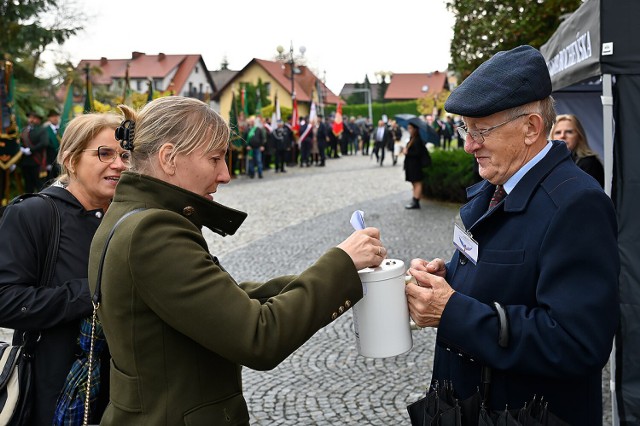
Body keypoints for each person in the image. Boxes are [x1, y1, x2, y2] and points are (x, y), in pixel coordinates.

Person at [88, 96, 386, 425]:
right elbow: (258, 336)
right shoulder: (152, 231)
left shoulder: (131, 214)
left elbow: (222, 299)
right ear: (169, 158)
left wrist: (345, 271)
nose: (226, 174)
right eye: (215, 158)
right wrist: (341, 263)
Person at [404, 46, 619, 425]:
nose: (469, 145)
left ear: (532, 128)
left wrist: (451, 309)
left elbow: (577, 342)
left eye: (481, 130)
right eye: (465, 130)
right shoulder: (495, 186)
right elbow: (505, 280)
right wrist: (447, 280)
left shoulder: (577, 203)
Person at [0, 112, 128, 424]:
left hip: (120, 392)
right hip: (52, 390)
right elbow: (6, 300)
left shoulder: (126, 221)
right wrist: (93, 292)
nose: (119, 164)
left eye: (125, 155)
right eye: (105, 153)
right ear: (70, 160)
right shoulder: (33, 214)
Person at [550, 113, 604, 188]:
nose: (562, 136)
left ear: (579, 136)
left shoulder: (589, 163)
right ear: (552, 137)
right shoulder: (548, 163)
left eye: (569, 132)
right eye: (558, 132)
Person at [402, 118, 431, 209]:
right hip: (411, 165)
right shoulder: (412, 138)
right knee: (414, 182)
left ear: (415, 129)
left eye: (410, 128)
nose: (409, 130)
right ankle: (414, 198)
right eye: (408, 128)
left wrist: (407, 152)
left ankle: (416, 201)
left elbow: (418, 153)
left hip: (416, 165)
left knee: (417, 182)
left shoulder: (418, 139)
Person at [19, 110, 49, 192]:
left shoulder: (42, 130)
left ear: (39, 120)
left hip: (37, 162)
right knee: (28, 186)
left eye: (34, 118)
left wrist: (31, 150)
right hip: (25, 162)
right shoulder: (24, 130)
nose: (31, 120)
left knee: (40, 186)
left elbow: (44, 143)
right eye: (30, 118)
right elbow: (20, 141)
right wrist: (22, 148)